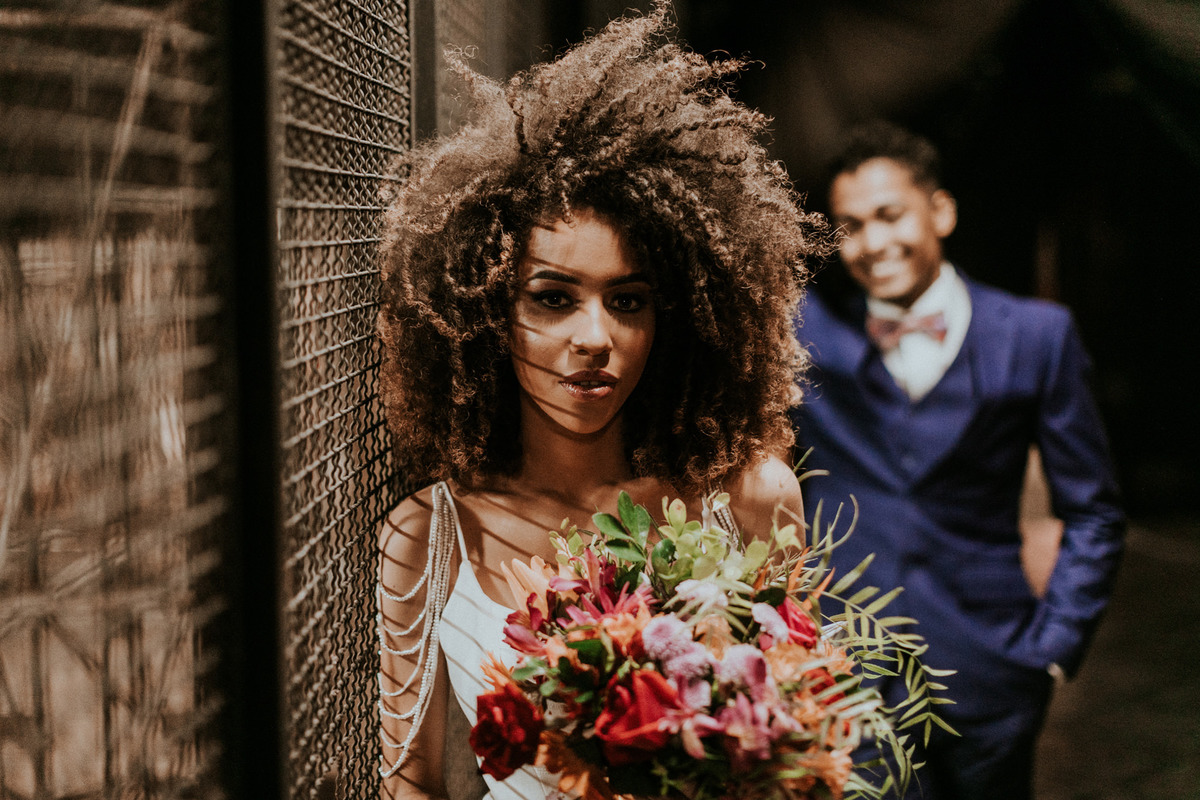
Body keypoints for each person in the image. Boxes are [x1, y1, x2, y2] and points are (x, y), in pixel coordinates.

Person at [374, 4, 828, 798]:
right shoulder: (430, 536)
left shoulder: (747, 501)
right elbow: (412, 784)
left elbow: (800, 754)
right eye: (552, 298)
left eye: (628, 301)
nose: (594, 337)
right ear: (486, 312)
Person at [790, 120, 1125, 799]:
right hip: (845, 682)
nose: (873, 242)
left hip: (992, 672)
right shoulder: (805, 332)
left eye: (889, 215)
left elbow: (1092, 510)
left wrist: (1052, 650)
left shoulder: (1036, 336)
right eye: (850, 225)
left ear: (939, 211)